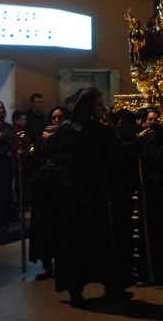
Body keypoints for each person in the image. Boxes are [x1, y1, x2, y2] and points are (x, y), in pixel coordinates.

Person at [41, 88, 134, 306]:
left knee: (74, 242)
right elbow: (117, 155)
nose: (103, 108)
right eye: (99, 104)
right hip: (91, 193)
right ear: (90, 105)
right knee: (98, 240)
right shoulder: (98, 131)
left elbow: (47, 150)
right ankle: (110, 286)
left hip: (72, 193)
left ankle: (76, 290)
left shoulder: (65, 129)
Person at [28, 106, 69, 280]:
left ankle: (64, 264)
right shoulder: (44, 135)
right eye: (54, 117)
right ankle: (45, 264)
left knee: (60, 225)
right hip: (44, 184)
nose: (56, 121)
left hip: (61, 184)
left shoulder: (68, 136)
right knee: (43, 224)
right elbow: (35, 157)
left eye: (60, 117)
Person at [0, 99, 14, 241]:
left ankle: (3, 227)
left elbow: (7, 145)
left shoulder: (8, 126)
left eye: (1, 107)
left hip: (3, 166)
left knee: (3, 196)